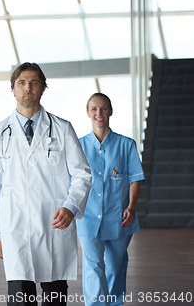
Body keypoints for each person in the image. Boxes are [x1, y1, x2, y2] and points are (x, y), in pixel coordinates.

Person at [0, 62, 92, 306]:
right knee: (20, 301)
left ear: (43, 88)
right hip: (16, 227)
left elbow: (82, 174)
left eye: (34, 82)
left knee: (55, 300)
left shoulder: (63, 129)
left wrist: (71, 206)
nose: (28, 88)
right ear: (12, 89)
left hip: (53, 222)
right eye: (21, 82)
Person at [77, 93, 145, 306]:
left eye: (104, 108)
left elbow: (135, 179)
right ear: (87, 113)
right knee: (93, 267)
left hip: (119, 217)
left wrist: (132, 207)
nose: (99, 113)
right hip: (87, 217)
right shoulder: (78, 146)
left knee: (115, 267)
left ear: (111, 111)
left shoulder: (126, 145)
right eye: (94, 109)